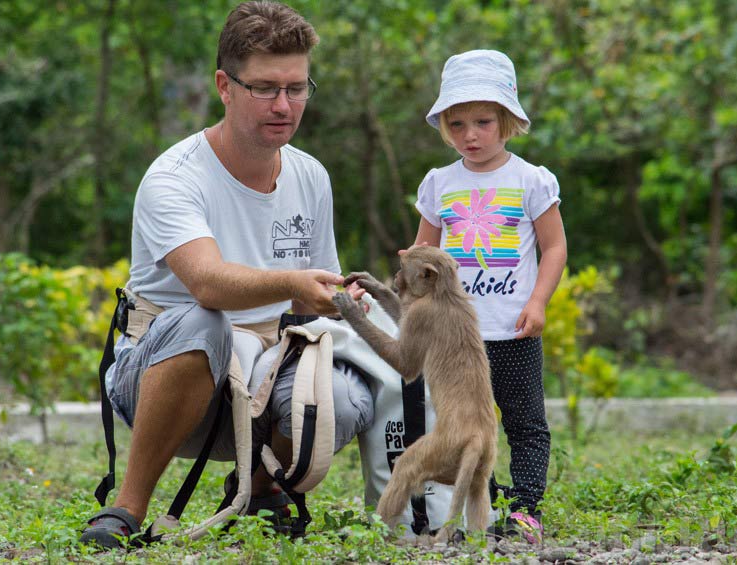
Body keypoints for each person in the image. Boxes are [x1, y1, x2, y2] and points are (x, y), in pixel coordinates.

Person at [80, 1, 373, 548]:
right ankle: (126, 506)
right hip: (162, 375)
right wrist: (291, 283)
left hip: (263, 378)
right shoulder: (174, 176)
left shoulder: (311, 176)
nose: (284, 104)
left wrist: (343, 301)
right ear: (225, 85)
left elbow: (315, 298)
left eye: (297, 87)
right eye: (265, 88)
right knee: (205, 322)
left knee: (343, 388)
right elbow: (208, 284)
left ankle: (258, 489)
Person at [412, 49, 567, 543]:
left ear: (507, 120)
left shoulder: (529, 180)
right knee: (462, 426)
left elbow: (555, 247)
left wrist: (538, 301)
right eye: (457, 124)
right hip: (456, 338)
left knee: (523, 423)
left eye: (482, 121)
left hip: (511, 330)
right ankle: (487, 502)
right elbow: (424, 254)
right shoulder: (439, 184)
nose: (470, 135)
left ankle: (524, 508)